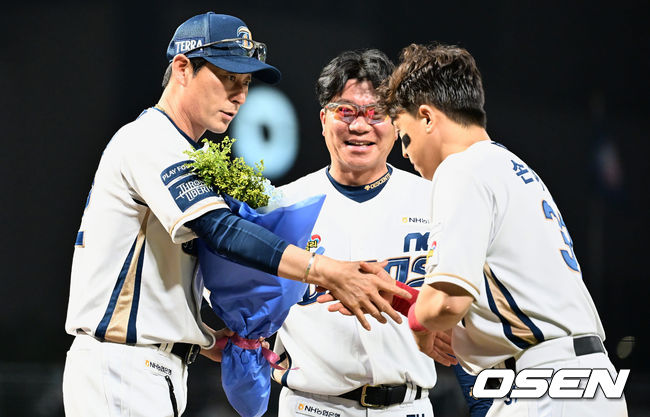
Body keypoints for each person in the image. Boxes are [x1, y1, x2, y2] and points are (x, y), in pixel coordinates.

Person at [62, 12, 410, 417]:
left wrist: (208, 337)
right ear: (181, 68)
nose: (240, 96)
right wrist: (325, 270)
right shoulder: (151, 138)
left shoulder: (183, 150)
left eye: (244, 84)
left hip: (148, 367)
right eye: (228, 78)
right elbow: (221, 230)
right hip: (121, 365)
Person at [375, 42, 629, 416]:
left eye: (405, 136)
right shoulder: (512, 166)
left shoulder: (460, 170)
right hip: (580, 380)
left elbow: (445, 303)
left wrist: (419, 321)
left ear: (427, 117)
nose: (405, 153)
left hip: (546, 384)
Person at [271, 49, 455, 417]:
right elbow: (240, 298)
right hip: (312, 406)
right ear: (324, 119)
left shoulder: (436, 199)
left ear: (397, 122)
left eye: (376, 113)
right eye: (346, 111)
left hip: (408, 406)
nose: (359, 126)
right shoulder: (282, 205)